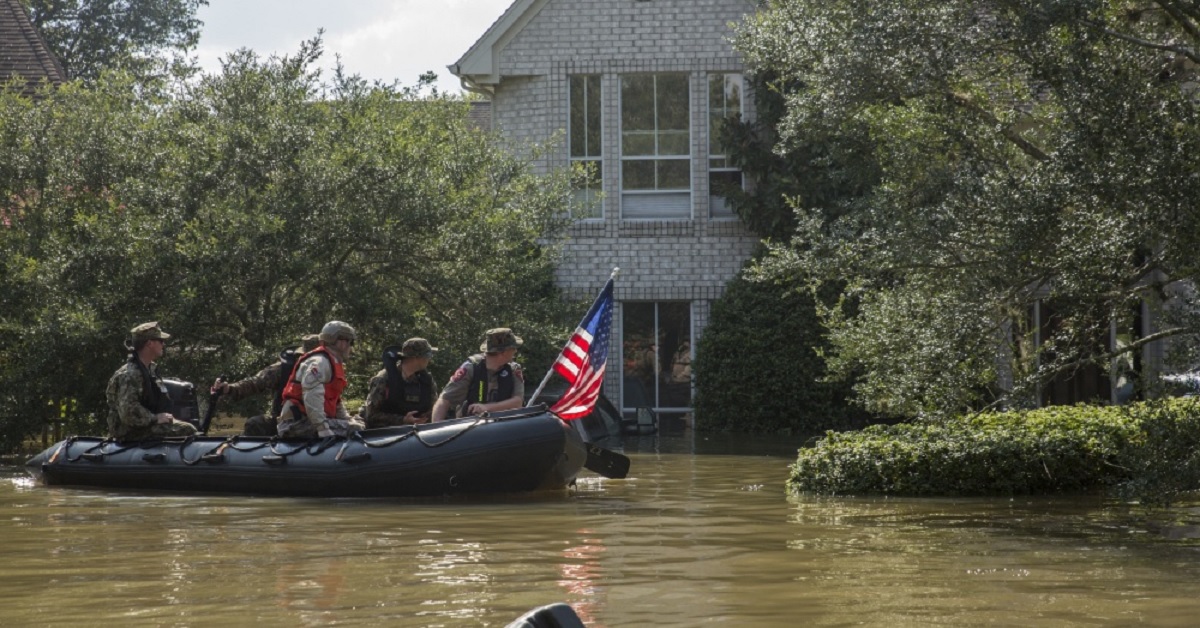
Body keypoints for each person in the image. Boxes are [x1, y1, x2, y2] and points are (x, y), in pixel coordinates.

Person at [211, 334, 320, 436]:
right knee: (254, 424)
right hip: (284, 421)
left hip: (318, 422)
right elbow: (255, 382)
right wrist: (230, 388)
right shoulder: (283, 369)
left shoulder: (331, 371)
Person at [105, 322, 198, 440]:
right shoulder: (129, 374)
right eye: (160, 341)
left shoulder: (149, 369)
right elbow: (128, 412)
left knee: (190, 427)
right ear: (149, 343)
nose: (163, 344)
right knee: (187, 430)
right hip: (130, 431)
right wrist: (155, 418)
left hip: (146, 425)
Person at [276, 321, 365, 439]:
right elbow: (311, 396)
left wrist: (347, 419)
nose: (351, 347)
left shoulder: (331, 362)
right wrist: (322, 428)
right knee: (356, 428)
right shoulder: (319, 363)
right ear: (342, 342)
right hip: (297, 424)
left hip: (307, 421)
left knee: (358, 423)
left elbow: (335, 401)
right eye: (351, 342)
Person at [431, 328, 525, 421]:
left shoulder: (513, 369)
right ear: (502, 352)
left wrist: (486, 407)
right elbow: (444, 400)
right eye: (513, 348)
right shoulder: (470, 368)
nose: (515, 351)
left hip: (502, 425)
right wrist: (435, 431)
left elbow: (517, 402)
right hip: (470, 427)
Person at [362, 338, 440, 428]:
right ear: (416, 358)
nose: (429, 359)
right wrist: (403, 420)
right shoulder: (383, 379)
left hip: (416, 433)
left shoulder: (426, 380)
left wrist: (425, 417)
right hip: (384, 434)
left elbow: (435, 408)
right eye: (428, 355)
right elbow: (371, 416)